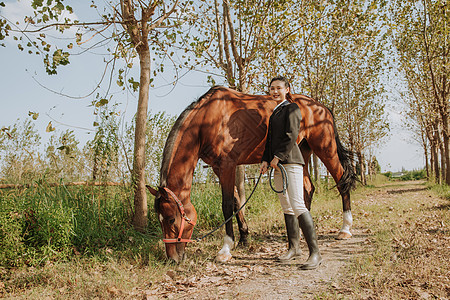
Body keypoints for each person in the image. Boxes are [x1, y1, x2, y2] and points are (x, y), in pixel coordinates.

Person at [260, 76, 322, 270]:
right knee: (286, 206)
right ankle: (294, 248)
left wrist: (277, 157)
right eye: (272, 88)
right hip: (277, 164)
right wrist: (265, 159)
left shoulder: (292, 108)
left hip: (291, 162)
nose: (275, 91)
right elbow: (270, 140)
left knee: (297, 204)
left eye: (279, 88)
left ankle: (315, 253)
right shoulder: (274, 112)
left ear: (287, 89)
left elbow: (291, 136)